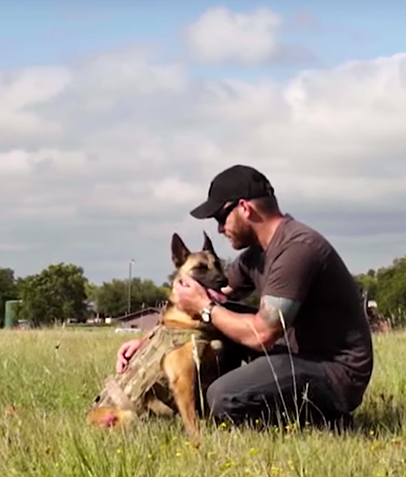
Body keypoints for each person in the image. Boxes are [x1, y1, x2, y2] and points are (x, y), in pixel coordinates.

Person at [116, 164, 374, 430]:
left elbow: (260, 333)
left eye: (220, 218)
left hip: (334, 374)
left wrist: (205, 307)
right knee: (225, 314)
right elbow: (217, 296)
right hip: (297, 359)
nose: (218, 229)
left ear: (245, 208)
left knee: (222, 397)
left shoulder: (297, 250)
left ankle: (328, 420)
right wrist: (150, 340)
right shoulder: (258, 255)